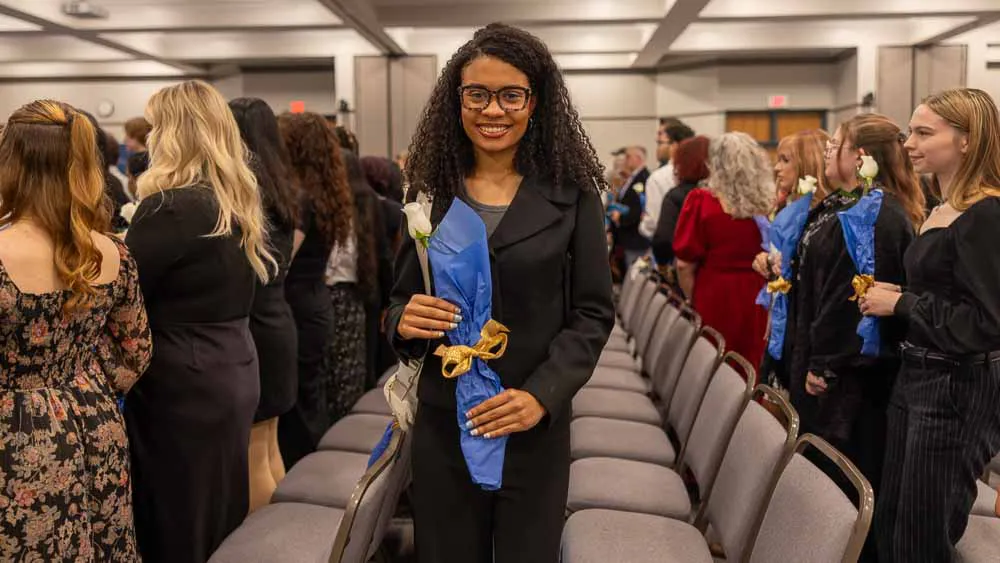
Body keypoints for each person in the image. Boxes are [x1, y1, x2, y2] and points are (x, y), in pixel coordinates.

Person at [386, 23, 614, 563]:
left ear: (535, 102)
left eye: (511, 95)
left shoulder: (574, 194)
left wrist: (542, 395)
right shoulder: (429, 195)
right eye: (478, 94)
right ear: (457, 100)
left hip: (530, 421)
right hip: (446, 421)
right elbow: (398, 301)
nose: (493, 110)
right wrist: (402, 320)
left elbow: (592, 313)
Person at [124, 80, 273, 563]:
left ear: (173, 133)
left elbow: (121, 289)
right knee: (218, 511)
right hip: (231, 362)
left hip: (183, 378)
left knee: (177, 517)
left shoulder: (172, 206)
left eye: (155, 126)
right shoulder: (231, 198)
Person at [0, 100, 152, 562]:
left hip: (14, 435)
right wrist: (78, 381)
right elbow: (135, 353)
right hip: (96, 423)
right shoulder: (111, 252)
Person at [861, 88, 1000, 563]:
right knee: (893, 524)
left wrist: (902, 304)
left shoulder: (986, 214)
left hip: (956, 388)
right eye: (910, 132)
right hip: (919, 375)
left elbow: (986, 324)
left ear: (967, 141)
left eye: (924, 133)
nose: (909, 144)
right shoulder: (942, 206)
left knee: (921, 540)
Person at [790, 114, 924, 562]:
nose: (830, 152)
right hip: (829, 363)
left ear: (860, 156)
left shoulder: (880, 214)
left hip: (853, 381)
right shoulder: (850, 203)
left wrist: (825, 363)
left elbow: (855, 300)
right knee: (824, 490)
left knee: (844, 491)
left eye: (838, 146)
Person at [229, 97, 301, 511]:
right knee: (270, 448)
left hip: (256, 326)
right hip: (278, 321)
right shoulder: (283, 188)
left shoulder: (245, 194)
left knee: (256, 454)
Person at [277, 111, 355, 466]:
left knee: (299, 414)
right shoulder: (325, 193)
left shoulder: (300, 200)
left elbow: (280, 265)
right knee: (310, 402)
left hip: (298, 311)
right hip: (314, 305)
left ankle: (307, 493)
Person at [673, 132, 772, 368]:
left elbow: (683, 264)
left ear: (714, 163)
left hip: (714, 292)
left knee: (712, 365)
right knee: (749, 362)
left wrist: (690, 297)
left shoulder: (701, 200)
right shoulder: (766, 203)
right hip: (755, 294)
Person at [750, 129, 832, 390]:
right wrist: (767, 261)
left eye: (785, 160)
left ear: (808, 164)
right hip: (782, 322)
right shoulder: (789, 207)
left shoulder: (821, 215)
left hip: (801, 330)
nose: (776, 168)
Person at [650, 135, 710, 266]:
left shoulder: (676, 196)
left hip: (685, 270)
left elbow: (663, 241)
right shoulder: (725, 196)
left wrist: (663, 265)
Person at [640, 121, 694, 242]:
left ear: (675, 145)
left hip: (667, 247)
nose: (657, 149)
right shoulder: (703, 172)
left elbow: (653, 224)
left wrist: (643, 224)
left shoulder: (658, 177)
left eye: (660, 143)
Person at [610, 145, 651, 267]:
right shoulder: (632, 178)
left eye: (628, 157)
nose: (625, 160)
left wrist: (620, 217)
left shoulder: (643, 179)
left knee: (634, 275)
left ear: (638, 158)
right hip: (626, 238)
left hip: (636, 239)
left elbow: (639, 208)